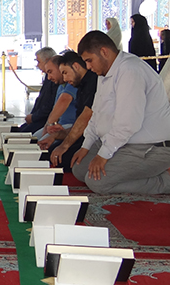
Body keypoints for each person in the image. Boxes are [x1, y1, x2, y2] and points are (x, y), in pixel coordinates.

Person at [71, 31, 170, 194]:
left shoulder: (130, 70)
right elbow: (97, 113)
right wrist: (86, 145)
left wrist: (104, 154)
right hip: (124, 143)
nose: (88, 67)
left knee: (97, 182)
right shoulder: (105, 72)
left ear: (104, 52)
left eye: (89, 60)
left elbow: (128, 124)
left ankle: (164, 182)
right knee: (80, 169)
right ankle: (141, 174)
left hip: (150, 147)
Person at [43, 50, 97, 172]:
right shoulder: (81, 86)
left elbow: (85, 119)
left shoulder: (92, 82)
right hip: (84, 134)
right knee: (50, 153)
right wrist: (56, 135)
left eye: (65, 73)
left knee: (63, 159)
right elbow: (79, 124)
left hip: (93, 138)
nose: (65, 78)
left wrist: (64, 145)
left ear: (76, 66)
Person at [32, 55, 77, 140]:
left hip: (70, 126)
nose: (49, 77)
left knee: (42, 141)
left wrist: (49, 125)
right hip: (60, 124)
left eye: (50, 72)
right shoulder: (60, 87)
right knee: (35, 137)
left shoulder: (72, 84)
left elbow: (64, 100)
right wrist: (48, 126)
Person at [17, 47, 58, 135]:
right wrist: (32, 116)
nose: (37, 65)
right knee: (19, 131)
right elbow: (41, 99)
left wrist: (34, 117)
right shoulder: (47, 77)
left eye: (39, 62)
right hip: (38, 117)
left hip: (45, 120)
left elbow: (50, 104)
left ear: (47, 60)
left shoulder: (56, 80)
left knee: (23, 134)